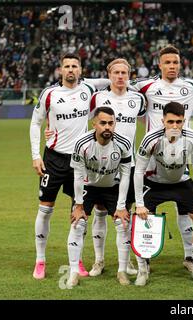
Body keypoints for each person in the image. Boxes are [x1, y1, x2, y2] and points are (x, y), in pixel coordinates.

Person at [129, 45, 193, 271]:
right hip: (153, 154)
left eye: (175, 62)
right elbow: (119, 83)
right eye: (168, 62)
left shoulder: (190, 86)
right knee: (146, 213)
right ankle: (145, 257)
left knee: (187, 210)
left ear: (180, 64)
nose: (172, 66)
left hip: (182, 152)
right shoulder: (146, 85)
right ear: (160, 64)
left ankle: (190, 257)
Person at [29, 53, 99, 279]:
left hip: (81, 161)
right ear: (60, 70)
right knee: (45, 208)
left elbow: (113, 80)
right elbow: (35, 123)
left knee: (79, 210)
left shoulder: (89, 89)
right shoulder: (50, 94)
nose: (70, 70)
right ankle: (40, 260)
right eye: (67, 66)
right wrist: (35, 156)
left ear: (80, 70)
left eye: (74, 66)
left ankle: (76, 260)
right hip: (54, 159)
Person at [133, 102, 193, 285]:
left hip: (181, 183)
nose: (175, 126)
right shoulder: (151, 138)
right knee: (140, 221)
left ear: (184, 121)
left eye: (179, 122)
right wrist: (139, 204)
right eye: (171, 122)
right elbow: (138, 171)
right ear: (163, 121)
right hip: (154, 183)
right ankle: (143, 270)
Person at [86, 58, 146, 277]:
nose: (120, 76)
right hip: (101, 164)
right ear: (109, 75)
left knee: (125, 213)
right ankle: (98, 261)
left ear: (129, 75)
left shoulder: (138, 99)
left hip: (127, 163)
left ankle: (126, 260)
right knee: (100, 212)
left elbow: (148, 121)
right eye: (116, 72)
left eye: (124, 73)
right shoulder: (98, 97)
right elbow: (87, 124)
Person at [66, 106, 132, 288]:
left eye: (111, 123)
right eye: (103, 123)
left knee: (123, 223)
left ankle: (122, 270)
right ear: (94, 123)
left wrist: (121, 206)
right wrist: (78, 205)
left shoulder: (124, 144)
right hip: (89, 186)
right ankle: (73, 272)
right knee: (77, 223)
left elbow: (126, 175)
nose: (107, 127)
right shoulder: (82, 143)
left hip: (112, 186)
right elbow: (78, 175)